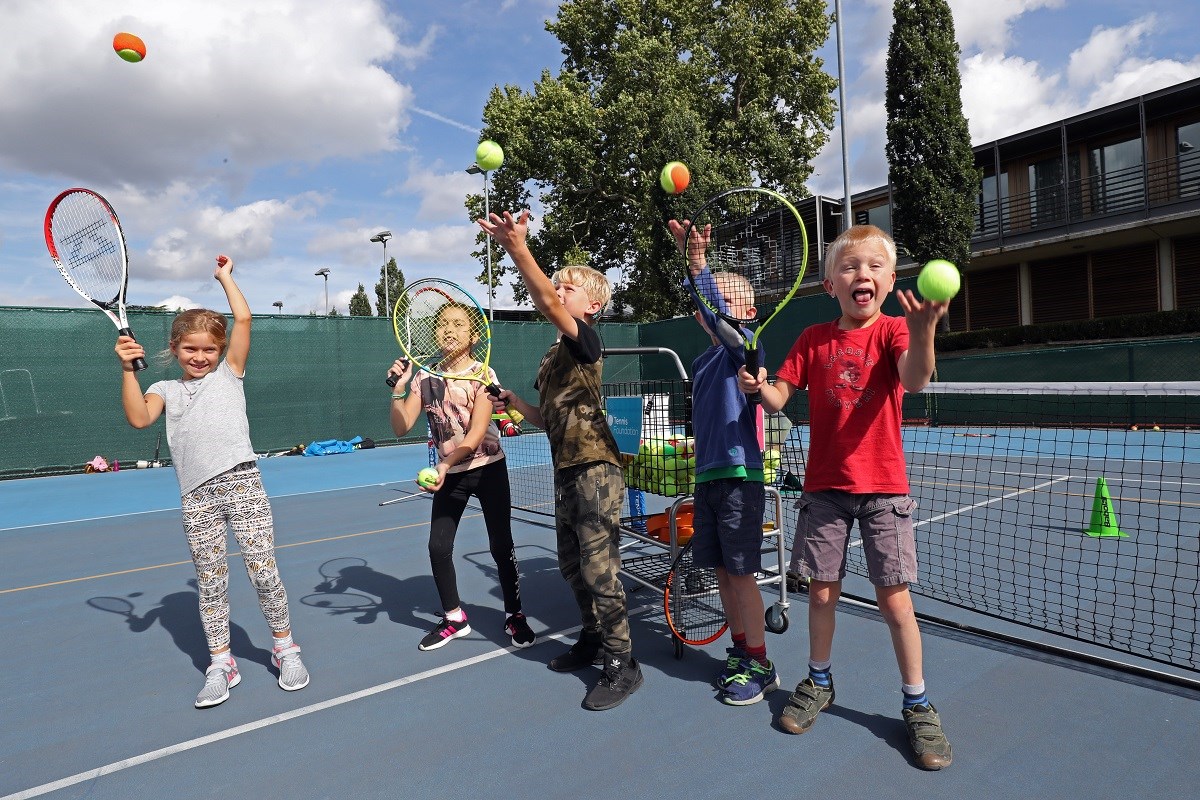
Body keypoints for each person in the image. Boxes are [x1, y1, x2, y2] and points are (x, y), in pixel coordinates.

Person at [738, 224, 952, 769]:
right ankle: (819, 680)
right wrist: (757, 387)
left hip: (884, 489)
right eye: (851, 267)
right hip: (825, 489)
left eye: (874, 266)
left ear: (890, 279)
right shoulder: (813, 339)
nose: (863, 274)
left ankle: (917, 702)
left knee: (895, 602)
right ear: (831, 282)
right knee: (822, 594)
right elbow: (780, 399)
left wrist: (924, 328)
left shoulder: (895, 332)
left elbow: (917, 377)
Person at [115, 255, 309, 709]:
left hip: (243, 484)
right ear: (174, 347)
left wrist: (225, 278)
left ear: (222, 352)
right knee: (210, 582)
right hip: (196, 496)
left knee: (264, 572)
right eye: (191, 349)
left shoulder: (230, 374)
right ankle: (222, 662)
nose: (200, 357)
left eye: (209, 349)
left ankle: (285, 648)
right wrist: (127, 370)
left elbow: (242, 317)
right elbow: (140, 420)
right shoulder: (163, 388)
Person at [478, 209, 642, 711]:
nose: (557, 289)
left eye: (567, 287)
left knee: (600, 569)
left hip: (596, 469)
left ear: (591, 304)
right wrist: (513, 403)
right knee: (573, 568)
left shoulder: (586, 342)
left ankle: (623, 661)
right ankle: (593, 638)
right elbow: (548, 418)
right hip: (565, 468)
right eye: (559, 285)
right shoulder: (552, 359)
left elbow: (547, 302)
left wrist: (516, 248)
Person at [667, 217, 775, 706]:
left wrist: (697, 264)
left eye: (722, 300)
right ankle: (738, 651)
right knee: (722, 575)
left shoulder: (744, 350)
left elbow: (723, 323)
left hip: (739, 480)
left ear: (747, 312)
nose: (711, 309)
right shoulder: (703, 362)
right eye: (708, 303)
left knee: (741, 573)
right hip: (708, 478)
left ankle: (760, 661)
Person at [384, 300, 534, 652]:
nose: (449, 330)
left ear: (473, 336)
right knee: (438, 546)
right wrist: (398, 389)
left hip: (487, 469)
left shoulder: (483, 375)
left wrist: (445, 465)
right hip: (449, 473)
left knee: (501, 545)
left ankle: (514, 614)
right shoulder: (424, 376)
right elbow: (401, 426)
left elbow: (476, 434)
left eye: (458, 324)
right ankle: (454, 618)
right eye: (442, 324)